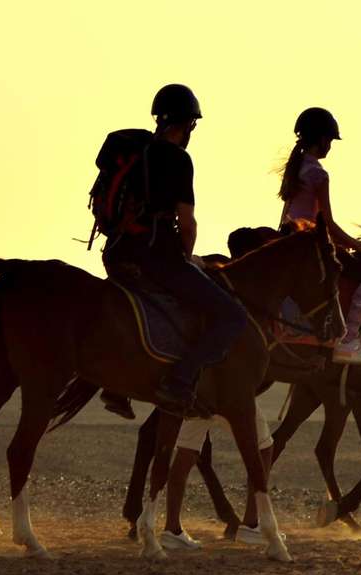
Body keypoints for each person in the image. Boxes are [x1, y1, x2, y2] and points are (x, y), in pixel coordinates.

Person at [102, 84, 247, 416]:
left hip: (117, 253)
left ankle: (115, 386)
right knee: (231, 316)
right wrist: (186, 257)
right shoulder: (179, 159)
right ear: (189, 124)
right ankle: (179, 381)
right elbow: (188, 221)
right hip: (158, 259)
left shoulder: (138, 151)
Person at [278, 107, 361, 365]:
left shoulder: (295, 168)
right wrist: (359, 246)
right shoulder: (318, 174)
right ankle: (348, 340)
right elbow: (328, 224)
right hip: (311, 243)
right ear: (323, 140)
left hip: (288, 239)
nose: (331, 147)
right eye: (330, 141)